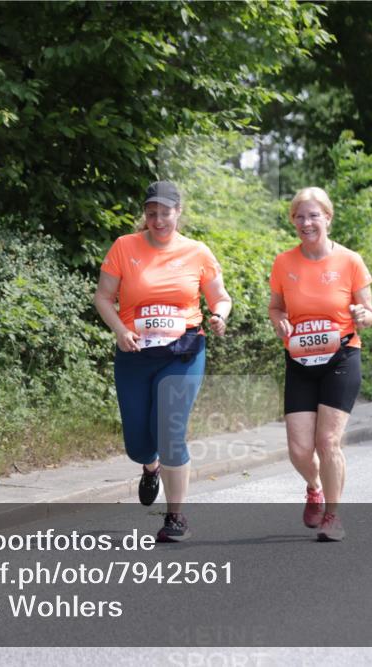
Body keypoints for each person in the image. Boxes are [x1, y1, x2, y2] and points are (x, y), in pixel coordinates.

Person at [94, 180, 231, 542]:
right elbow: (103, 298)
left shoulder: (197, 252)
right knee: (138, 443)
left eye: (165, 212)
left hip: (183, 351)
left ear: (178, 212)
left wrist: (219, 314)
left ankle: (176, 517)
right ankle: (150, 466)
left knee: (171, 433)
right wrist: (121, 330)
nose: (158, 220)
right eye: (151, 213)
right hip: (135, 352)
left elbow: (221, 297)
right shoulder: (125, 247)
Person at [268, 187, 372, 542]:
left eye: (313, 215)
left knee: (328, 441)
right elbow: (276, 306)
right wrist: (279, 320)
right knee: (299, 449)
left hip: (341, 358)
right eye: (299, 216)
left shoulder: (350, 261)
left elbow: (368, 312)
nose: (306, 222)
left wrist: (362, 314)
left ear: (327, 218)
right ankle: (314, 486)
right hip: (299, 360)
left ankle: (332, 516)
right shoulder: (284, 263)